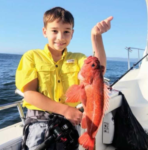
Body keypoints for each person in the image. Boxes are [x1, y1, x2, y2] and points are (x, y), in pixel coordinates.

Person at [15, 7, 113, 150]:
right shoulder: (31, 56)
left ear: (72, 34)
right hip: (39, 121)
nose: (60, 37)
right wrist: (65, 110)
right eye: (54, 31)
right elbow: (29, 94)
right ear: (44, 32)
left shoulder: (79, 58)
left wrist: (96, 36)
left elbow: (98, 71)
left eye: (66, 31)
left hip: (69, 123)